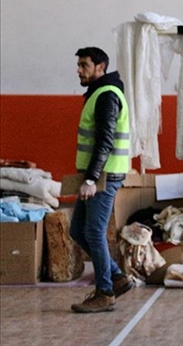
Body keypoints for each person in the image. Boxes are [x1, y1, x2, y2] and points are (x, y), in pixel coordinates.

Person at [69, 47, 134, 313]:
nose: (79, 70)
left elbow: (105, 141)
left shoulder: (107, 95)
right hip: (97, 176)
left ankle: (105, 292)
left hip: (104, 176)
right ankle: (117, 277)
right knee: (77, 231)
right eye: (79, 65)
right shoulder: (99, 92)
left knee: (94, 232)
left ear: (100, 67)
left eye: (84, 65)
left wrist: (92, 178)